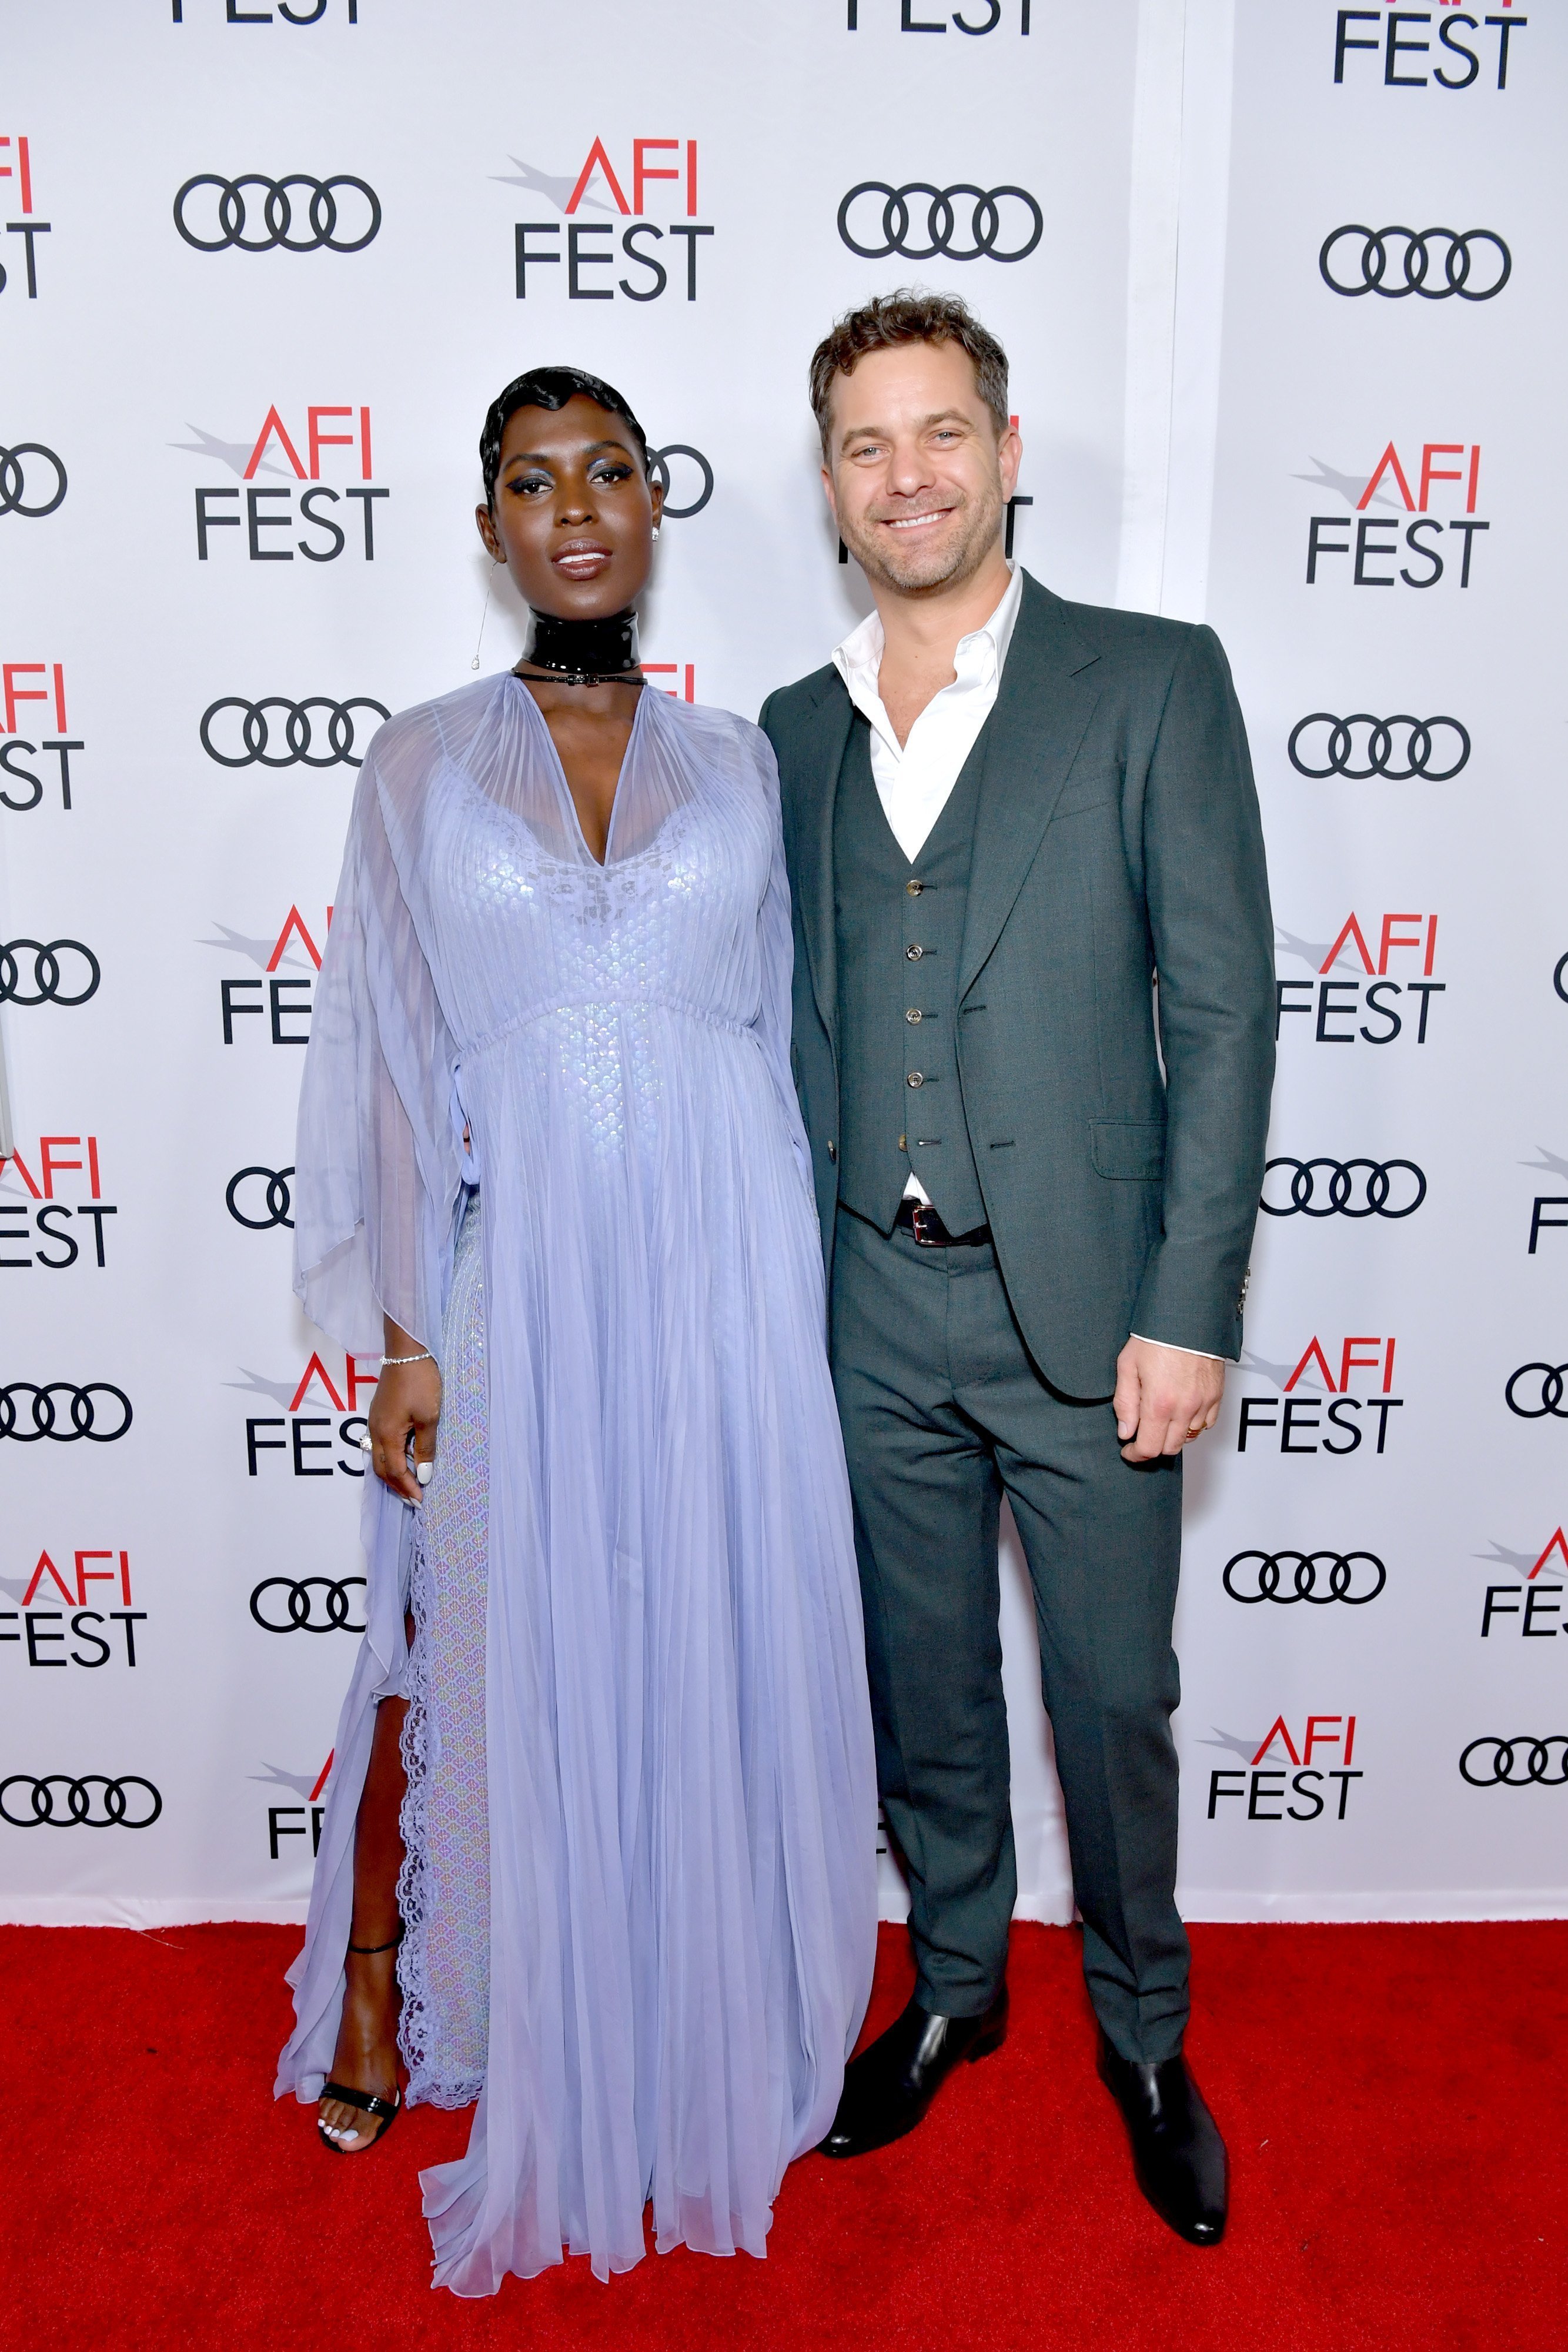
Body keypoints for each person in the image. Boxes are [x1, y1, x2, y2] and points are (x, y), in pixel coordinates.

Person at [275, 365, 877, 2294]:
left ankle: (675, 1993)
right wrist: (402, 1332)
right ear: (489, 526)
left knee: (689, 1627)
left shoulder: (745, 766)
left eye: (608, 470)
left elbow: (788, 1042)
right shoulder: (421, 762)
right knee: (452, 1635)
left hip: (720, 1277)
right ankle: (385, 1973)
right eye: (532, 480)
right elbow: (388, 1057)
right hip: (512, 1270)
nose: (576, 507)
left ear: (652, 504)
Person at [760, 292, 1275, 2247]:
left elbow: (1222, 1013)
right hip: (863, 1308)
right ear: (829, 483)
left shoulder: (1149, 682)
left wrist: (1186, 1304)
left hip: (1088, 1313)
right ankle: (955, 1988)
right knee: (921, 1688)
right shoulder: (787, 735)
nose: (910, 473)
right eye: (869, 443)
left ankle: (1142, 2031)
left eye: (941, 432)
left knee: (1114, 1694)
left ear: (1007, 446)